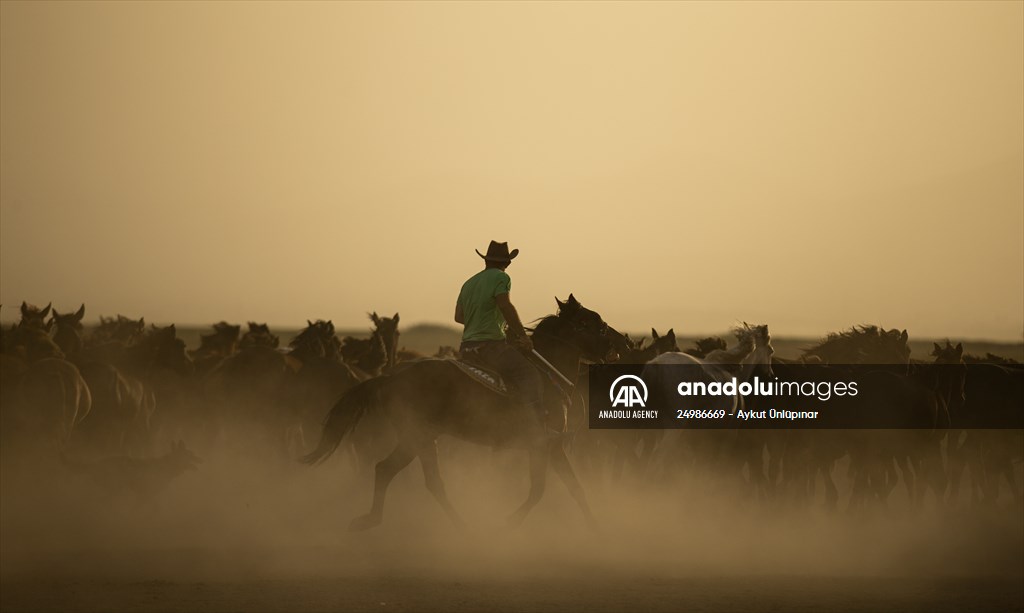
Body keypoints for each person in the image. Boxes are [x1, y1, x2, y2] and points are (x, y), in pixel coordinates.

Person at [455, 241, 544, 417]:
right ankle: (533, 425)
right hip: (491, 347)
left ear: (486, 260)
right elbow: (505, 306)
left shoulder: (468, 283)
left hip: (466, 349)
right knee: (529, 374)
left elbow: (459, 316)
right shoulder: (502, 277)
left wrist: (484, 321)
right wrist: (522, 336)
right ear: (507, 263)